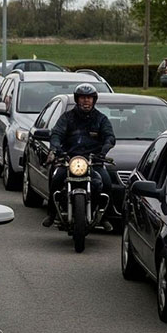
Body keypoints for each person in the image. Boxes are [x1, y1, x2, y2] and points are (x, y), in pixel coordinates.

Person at [43, 84, 115, 228]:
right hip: (69, 159)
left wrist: (103, 151)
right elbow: (56, 134)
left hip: (93, 161)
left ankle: (105, 217)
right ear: (77, 99)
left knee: (106, 182)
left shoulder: (101, 119)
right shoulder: (67, 117)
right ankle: (51, 213)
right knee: (56, 179)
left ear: (94, 100)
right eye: (83, 98)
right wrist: (56, 148)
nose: (86, 101)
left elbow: (109, 137)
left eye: (89, 98)